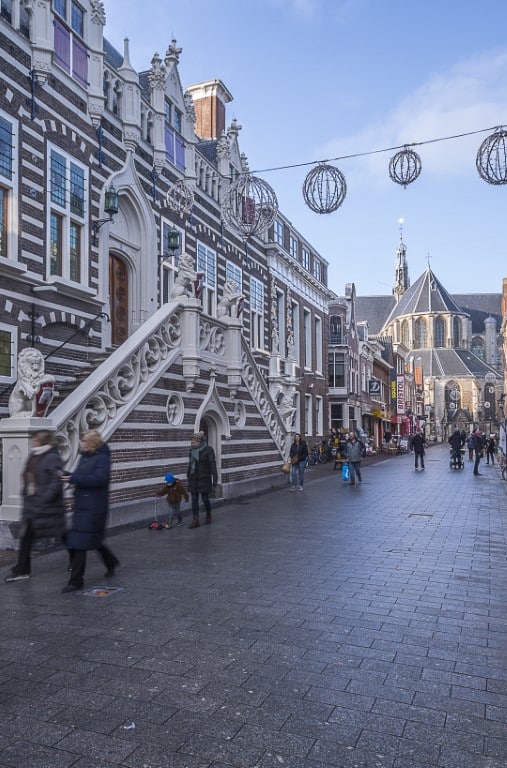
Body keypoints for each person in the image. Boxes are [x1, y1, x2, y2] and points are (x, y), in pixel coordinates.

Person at [61, 429, 119, 593]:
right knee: (91, 540)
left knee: (79, 542)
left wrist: (74, 478)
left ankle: (76, 581)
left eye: (84, 441)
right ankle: (111, 561)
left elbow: (99, 479)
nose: (81, 444)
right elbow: (81, 476)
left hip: (94, 507)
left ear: (92, 443)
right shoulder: (84, 457)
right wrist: (66, 475)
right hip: (82, 505)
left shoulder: (102, 458)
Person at [5, 431, 66, 583]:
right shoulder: (35, 455)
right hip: (33, 506)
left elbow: (56, 481)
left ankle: (78, 558)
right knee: (26, 538)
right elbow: (28, 474)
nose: (33, 443)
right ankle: (22, 569)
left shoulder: (52, 457)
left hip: (47, 507)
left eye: (36, 441)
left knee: (65, 535)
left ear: (44, 442)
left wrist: (45, 497)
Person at [187, 431, 218, 529]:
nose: (193, 442)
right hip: (193, 479)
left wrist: (215, 479)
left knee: (205, 499)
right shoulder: (191, 450)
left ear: (201, 441)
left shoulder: (208, 450)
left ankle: (209, 514)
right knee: (194, 500)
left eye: (195, 440)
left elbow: (212, 464)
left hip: (204, 478)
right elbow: (190, 463)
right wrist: (188, 474)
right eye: (192, 440)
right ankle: (195, 520)